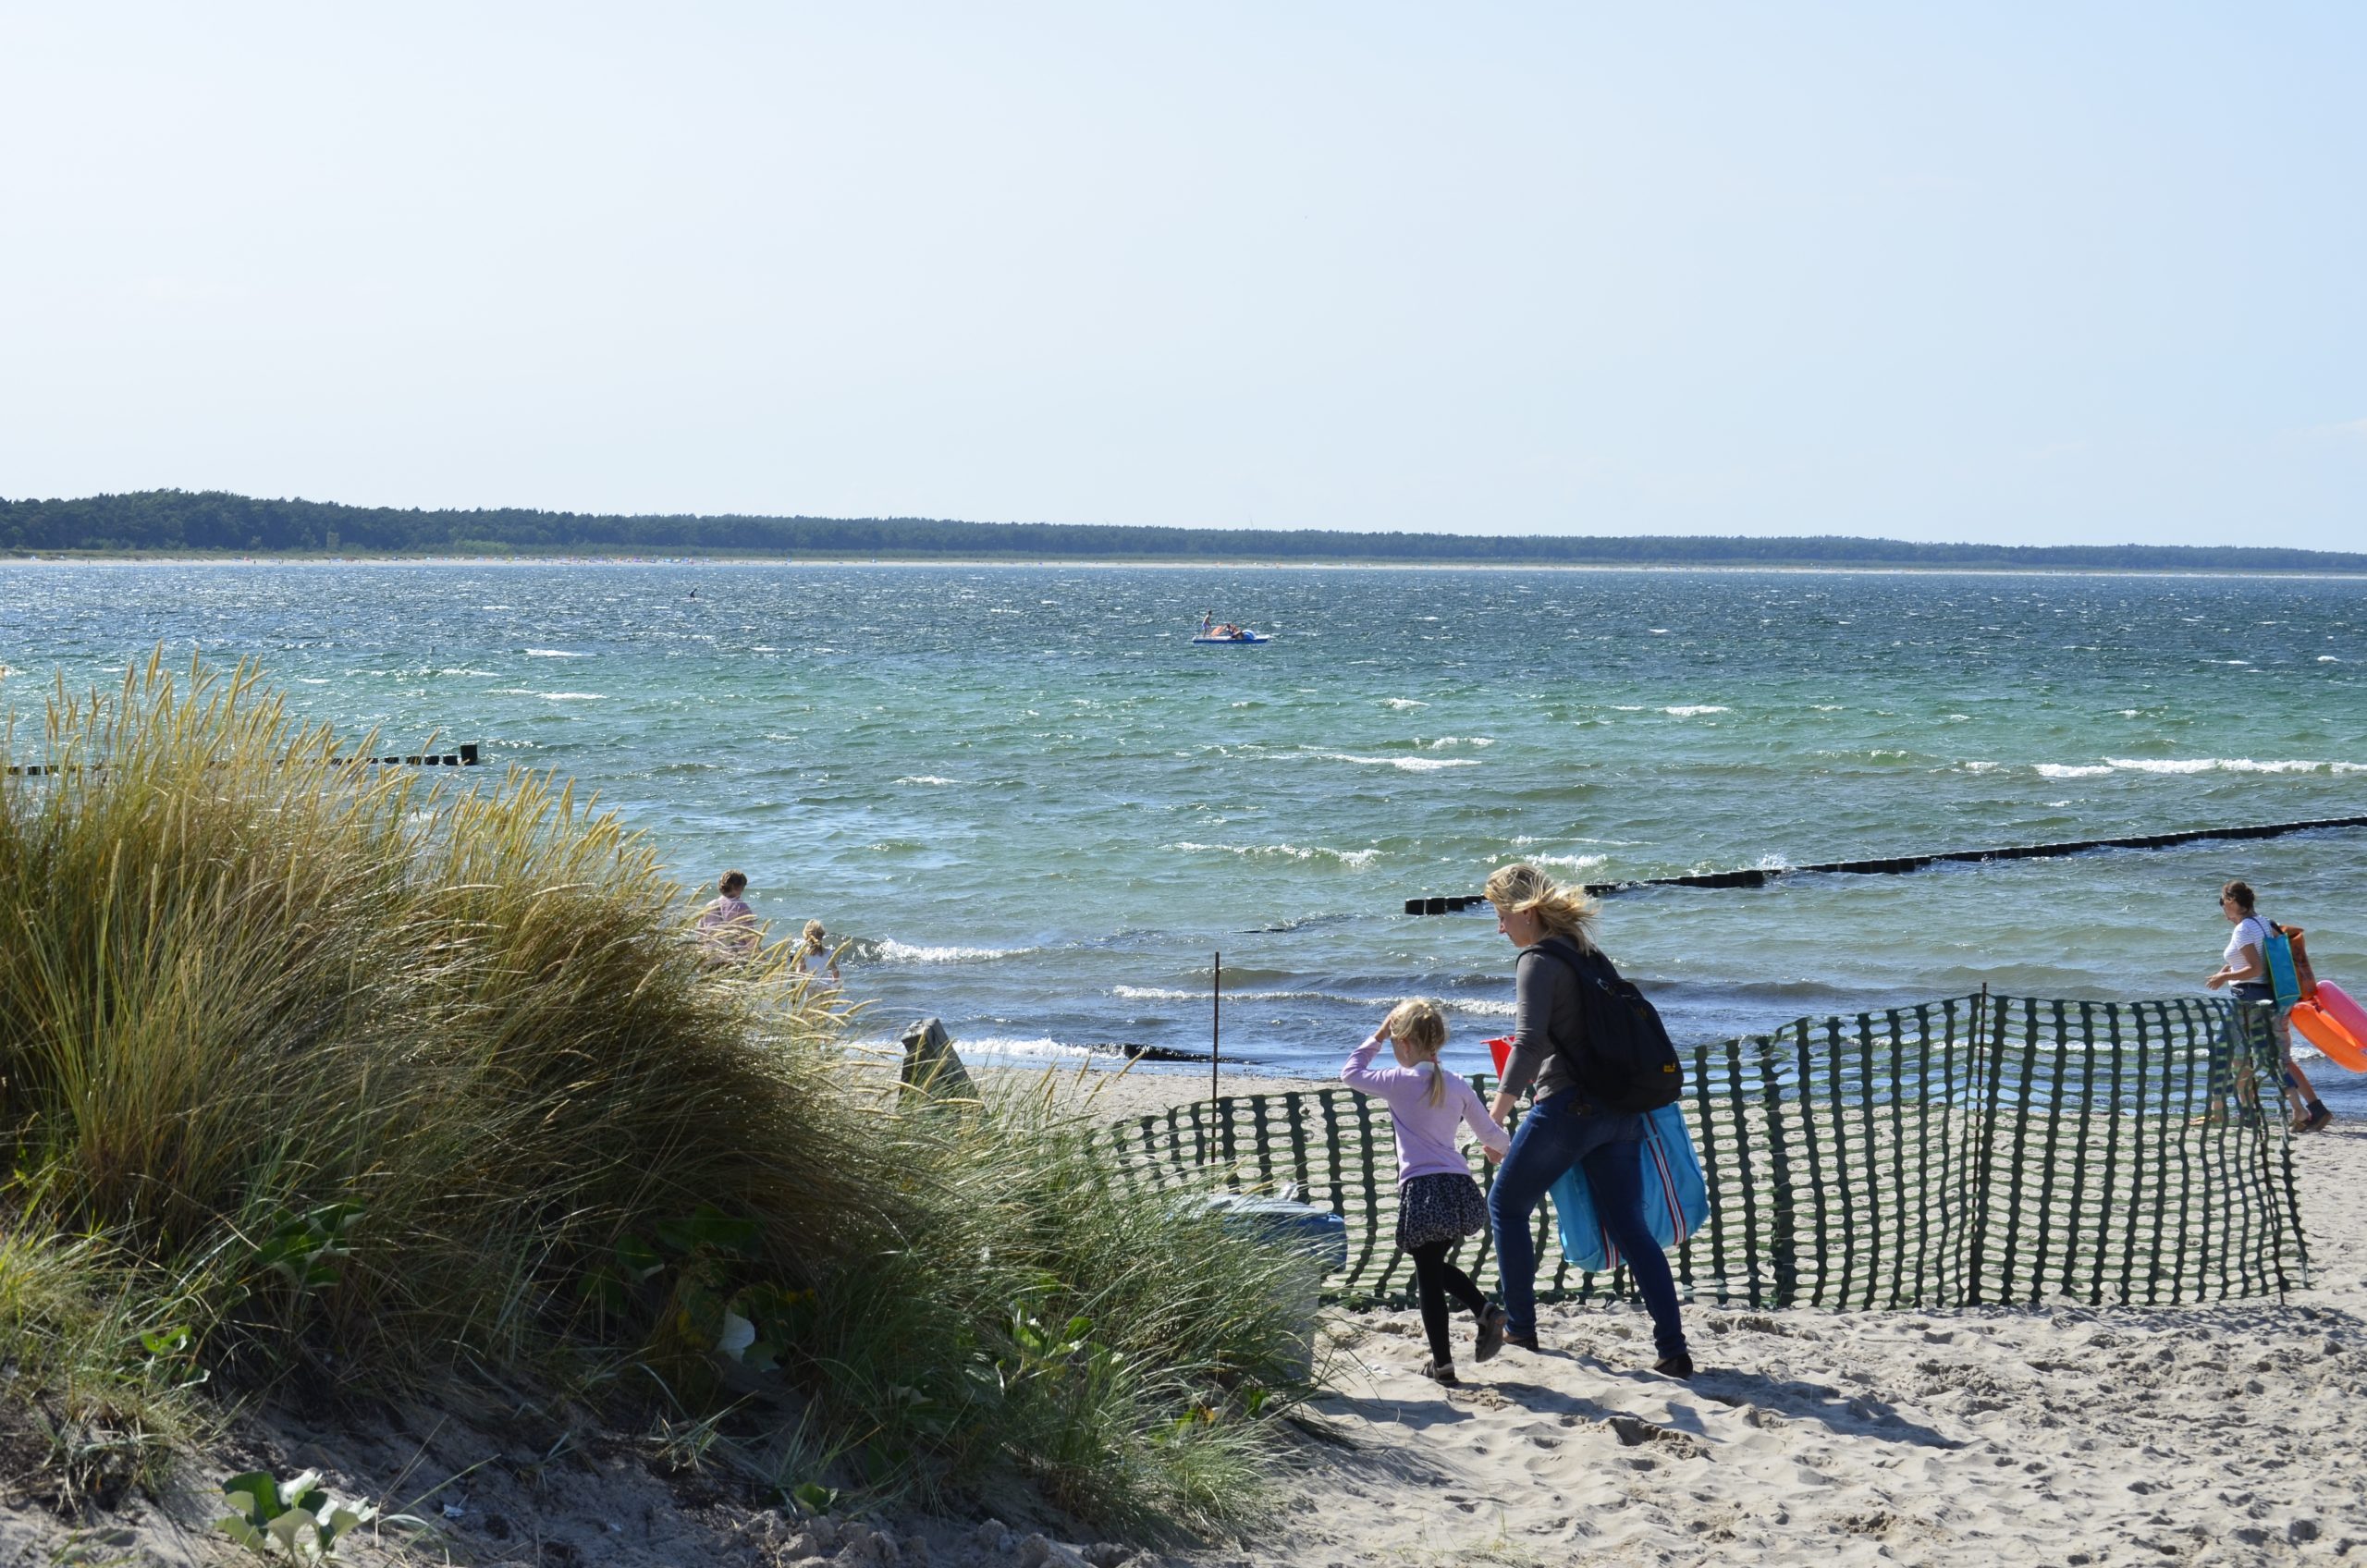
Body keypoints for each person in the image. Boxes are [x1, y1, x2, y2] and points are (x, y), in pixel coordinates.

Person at [1480, 862, 1694, 1378]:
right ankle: (1673, 1349)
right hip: (1620, 1111)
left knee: (1506, 1205)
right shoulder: (1587, 954)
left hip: (1568, 1108)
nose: (1499, 928)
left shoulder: (1536, 960)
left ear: (1526, 912)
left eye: (1502, 915)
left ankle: (1521, 1326)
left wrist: (1495, 1116)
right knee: (1632, 1229)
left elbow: (1530, 1044)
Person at [1341, 998, 1512, 1386]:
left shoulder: (1398, 1081)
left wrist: (1378, 1035)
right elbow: (1491, 1136)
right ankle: (1482, 1313)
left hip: (1422, 1190)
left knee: (1428, 1277)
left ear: (1403, 1043)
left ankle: (1448, 1362)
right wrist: (1510, 1152)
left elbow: (1350, 1073)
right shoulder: (1456, 1083)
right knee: (1432, 1269)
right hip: (1458, 1188)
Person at [2206, 879, 2332, 1133]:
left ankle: (2238, 1112)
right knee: (2274, 1057)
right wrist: (2231, 967)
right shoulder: (2265, 922)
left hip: (2247, 999)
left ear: (2231, 901)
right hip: (2274, 997)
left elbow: (2256, 968)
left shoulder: (2243, 930)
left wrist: (2224, 977)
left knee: (2226, 1050)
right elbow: (2269, 957)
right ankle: (2307, 1108)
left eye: (2222, 903)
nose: (2222, 910)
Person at [695, 871, 760, 959]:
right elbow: (749, 939)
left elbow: (700, 936)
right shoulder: (740, 906)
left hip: (710, 960)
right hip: (734, 962)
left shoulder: (709, 906)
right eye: (742, 887)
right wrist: (762, 959)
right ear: (735, 887)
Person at [792, 919, 842, 989]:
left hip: (811, 989)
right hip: (826, 989)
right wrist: (834, 985)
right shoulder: (828, 953)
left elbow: (800, 974)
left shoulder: (804, 954)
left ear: (806, 937)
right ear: (822, 936)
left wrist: (794, 969)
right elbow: (836, 973)